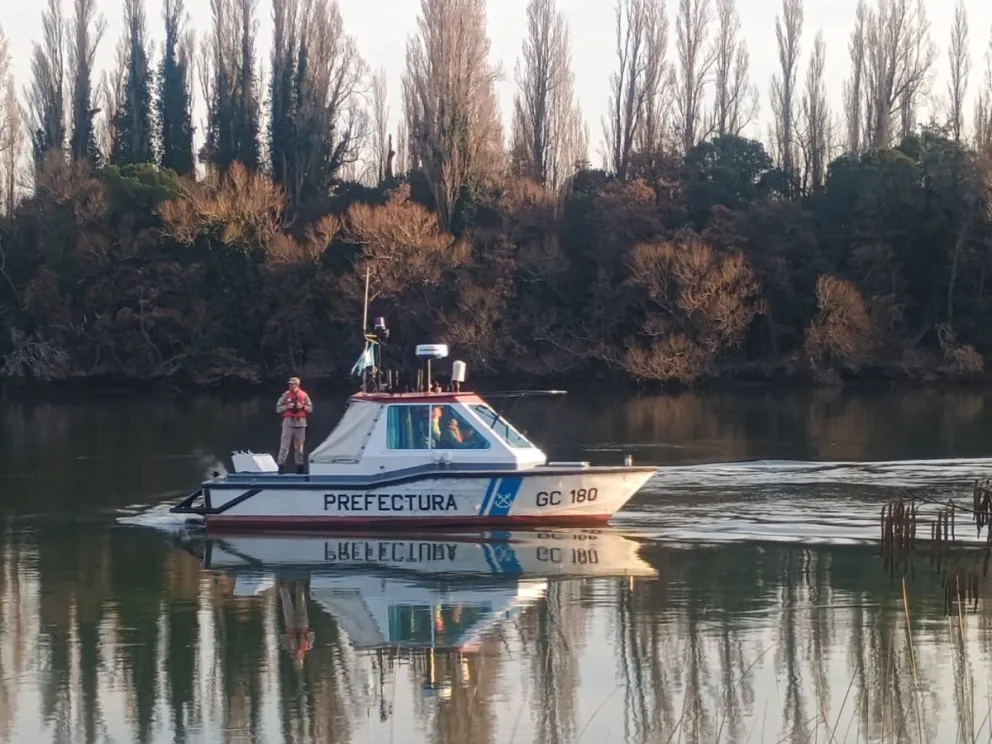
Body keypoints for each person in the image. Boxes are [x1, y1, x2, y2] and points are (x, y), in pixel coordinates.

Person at [276, 376, 313, 473]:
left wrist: (303, 407)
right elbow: (278, 409)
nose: (290, 385)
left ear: (297, 385)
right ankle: (281, 466)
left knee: (300, 447)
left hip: (301, 423)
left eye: (293, 384)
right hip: (288, 422)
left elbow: (310, 409)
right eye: (289, 384)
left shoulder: (304, 395)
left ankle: (299, 467)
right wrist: (286, 407)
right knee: (284, 446)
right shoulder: (285, 395)